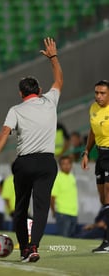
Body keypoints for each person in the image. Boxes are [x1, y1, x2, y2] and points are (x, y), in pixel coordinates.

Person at [0, 37, 63, 262]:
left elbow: (3, 133)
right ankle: (34, 247)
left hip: (24, 164)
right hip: (46, 162)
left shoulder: (16, 109)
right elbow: (59, 79)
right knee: (41, 208)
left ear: (21, 93)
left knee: (21, 208)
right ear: (40, 90)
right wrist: (53, 57)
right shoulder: (50, 101)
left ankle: (23, 248)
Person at [81, 79, 109, 253]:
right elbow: (92, 130)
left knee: (108, 195)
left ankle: (107, 241)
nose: (98, 96)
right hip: (100, 155)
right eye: (97, 93)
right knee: (103, 199)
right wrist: (86, 152)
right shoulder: (93, 108)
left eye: (103, 93)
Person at [51, 156, 78, 237]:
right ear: (60, 165)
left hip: (73, 213)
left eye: (68, 163)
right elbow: (52, 197)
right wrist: (54, 211)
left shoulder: (72, 177)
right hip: (62, 213)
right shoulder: (57, 178)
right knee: (63, 239)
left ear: (71, 165)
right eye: (63, 164)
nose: (66, 166)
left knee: (71, 239)